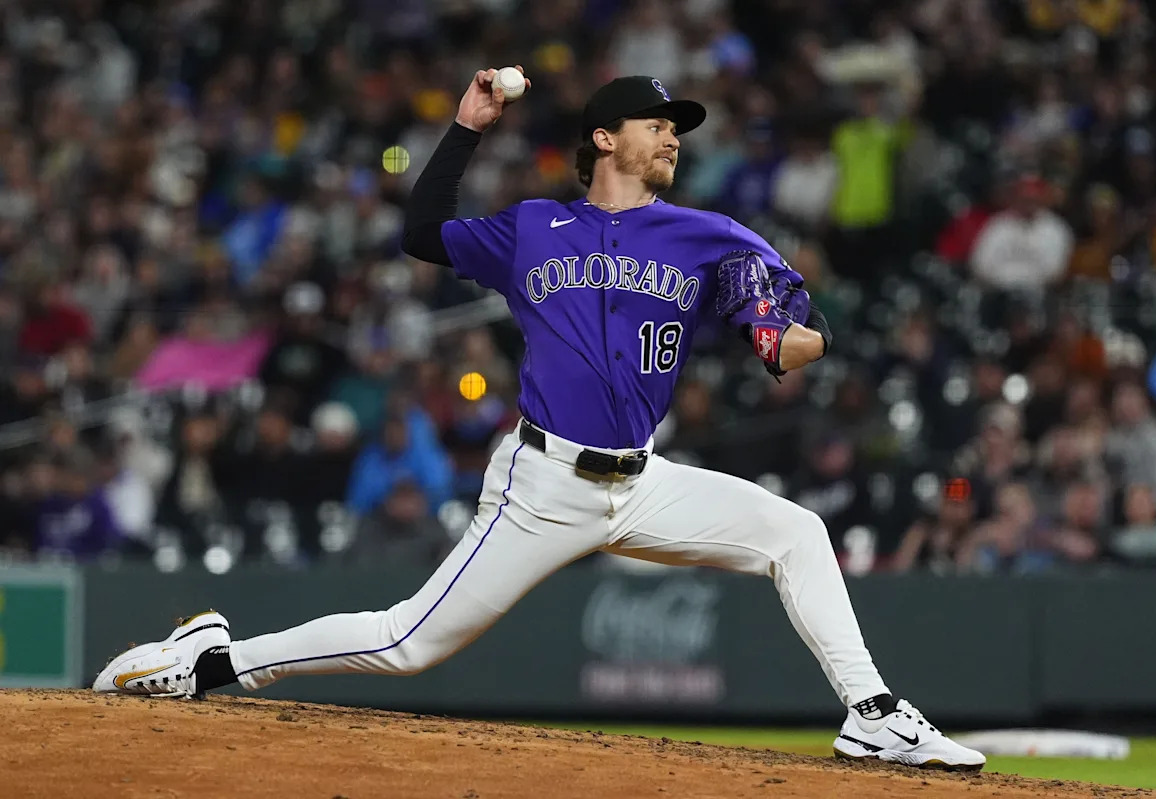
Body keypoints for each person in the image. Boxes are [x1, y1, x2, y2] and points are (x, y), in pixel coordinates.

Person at [93, 69, 984, 771]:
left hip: (643, 480)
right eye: (657, 120)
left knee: (796, 531)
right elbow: (421, 233)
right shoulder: (532, 227)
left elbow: (793, 339)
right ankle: (216, 659)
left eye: (678, 125)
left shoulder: (710, 236)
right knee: (408, 641)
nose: (674, 133)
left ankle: (874, 718)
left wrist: (795, 336)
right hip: (543, 483)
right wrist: (468, 125)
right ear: (604, 137)